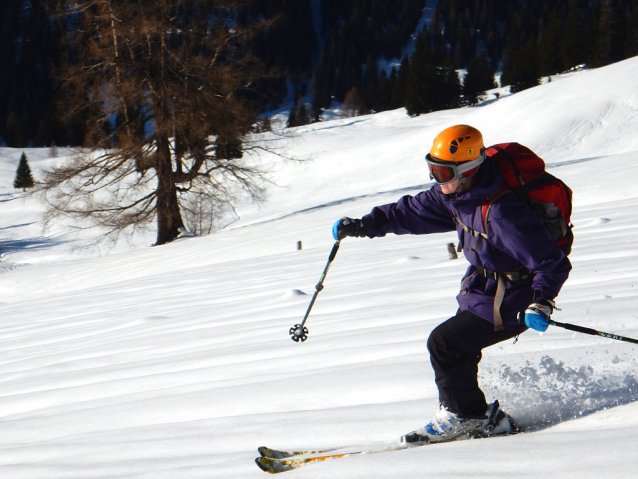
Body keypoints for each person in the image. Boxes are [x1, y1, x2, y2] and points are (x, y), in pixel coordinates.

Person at [332, 125, 571, 443]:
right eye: (433, 169)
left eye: (443, 172)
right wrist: (365, 224)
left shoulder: (501, 212)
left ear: (469, 168)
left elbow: (550, 261)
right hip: (482, 290)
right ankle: (482, 418)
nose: (437, 179)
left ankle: (467, 417)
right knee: (458, 349)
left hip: (514, 298)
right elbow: (411, 211)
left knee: (445, 344)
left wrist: (541, 301)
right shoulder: (457, 195)